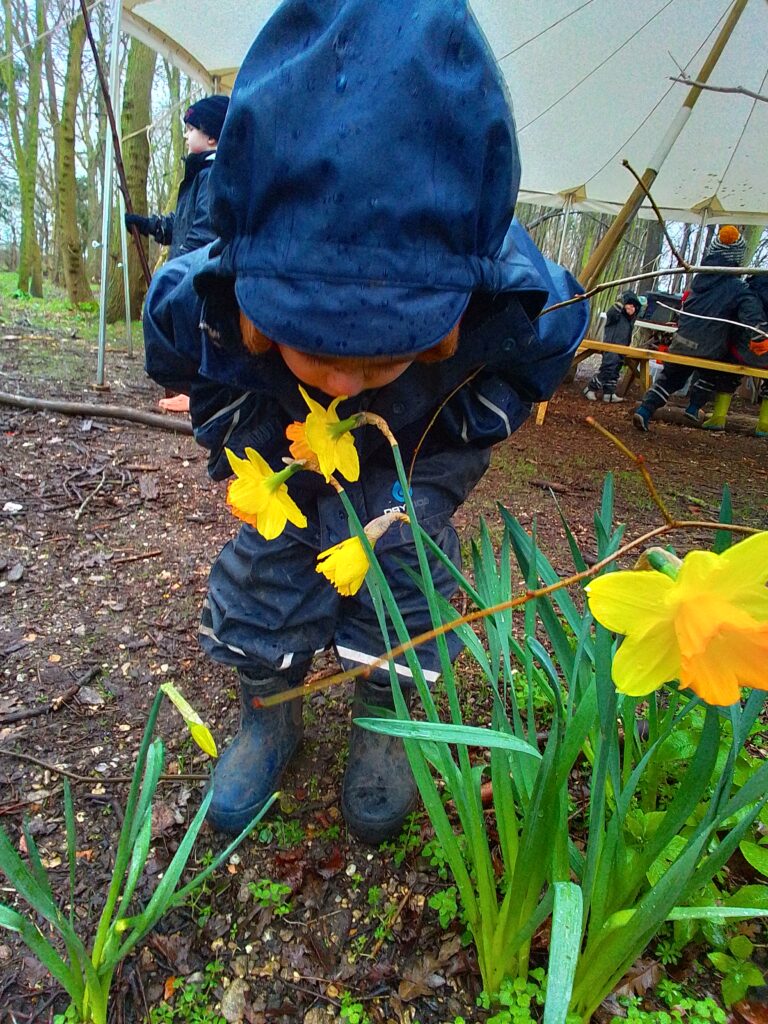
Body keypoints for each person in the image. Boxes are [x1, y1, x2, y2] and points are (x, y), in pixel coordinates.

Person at [142, 0, 589, 843]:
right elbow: (174, 359)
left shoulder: (517, 290)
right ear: (251, 298)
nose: (346, 380)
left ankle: (387, 714)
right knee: (270, 567)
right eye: (317, 347)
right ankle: (269, 713)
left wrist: (465, 431)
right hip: (279, 449)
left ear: (463, 300)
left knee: (405, 567)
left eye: (383, 354)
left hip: (419, 446)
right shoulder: (198, 295)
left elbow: (549, 351)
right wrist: (237, 427)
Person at [126, 95, 229, 413]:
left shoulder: (213, 176)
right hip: (188, 272)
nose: (186, 135)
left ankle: (196, 393)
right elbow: (179, 224)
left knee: (193, 339)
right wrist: (147, 225)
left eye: (191, 129)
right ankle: (189, 391)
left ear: (211, 136)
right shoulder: (198, 175)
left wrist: (176, 272)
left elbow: (203, 234)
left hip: (198, 280)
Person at [633, 226, 766, 432]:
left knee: (670, 378)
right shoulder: (738, 289)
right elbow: (752, 313)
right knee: (713, 371)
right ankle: (694, 407)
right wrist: (760, 336)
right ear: (737, 259)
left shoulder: (698, 280)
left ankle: (644, 410)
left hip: (681, 342)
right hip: (710, 349)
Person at [688, 274, 768, 437]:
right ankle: (764, 425)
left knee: (727, 369)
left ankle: (719, 417)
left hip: (743, 350)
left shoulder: (748, 288)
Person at [583, 290, 642, 402]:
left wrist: (634, 310)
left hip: (622, 347)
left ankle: (609, 393)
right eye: (629, 305)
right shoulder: (616, 315)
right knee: (608, 368)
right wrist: (621, 303)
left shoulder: (630, 320)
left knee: (615, 370)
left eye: (634, 306)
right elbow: (611, 312)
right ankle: (590, 388)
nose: (631, 308)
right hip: (611, 345)